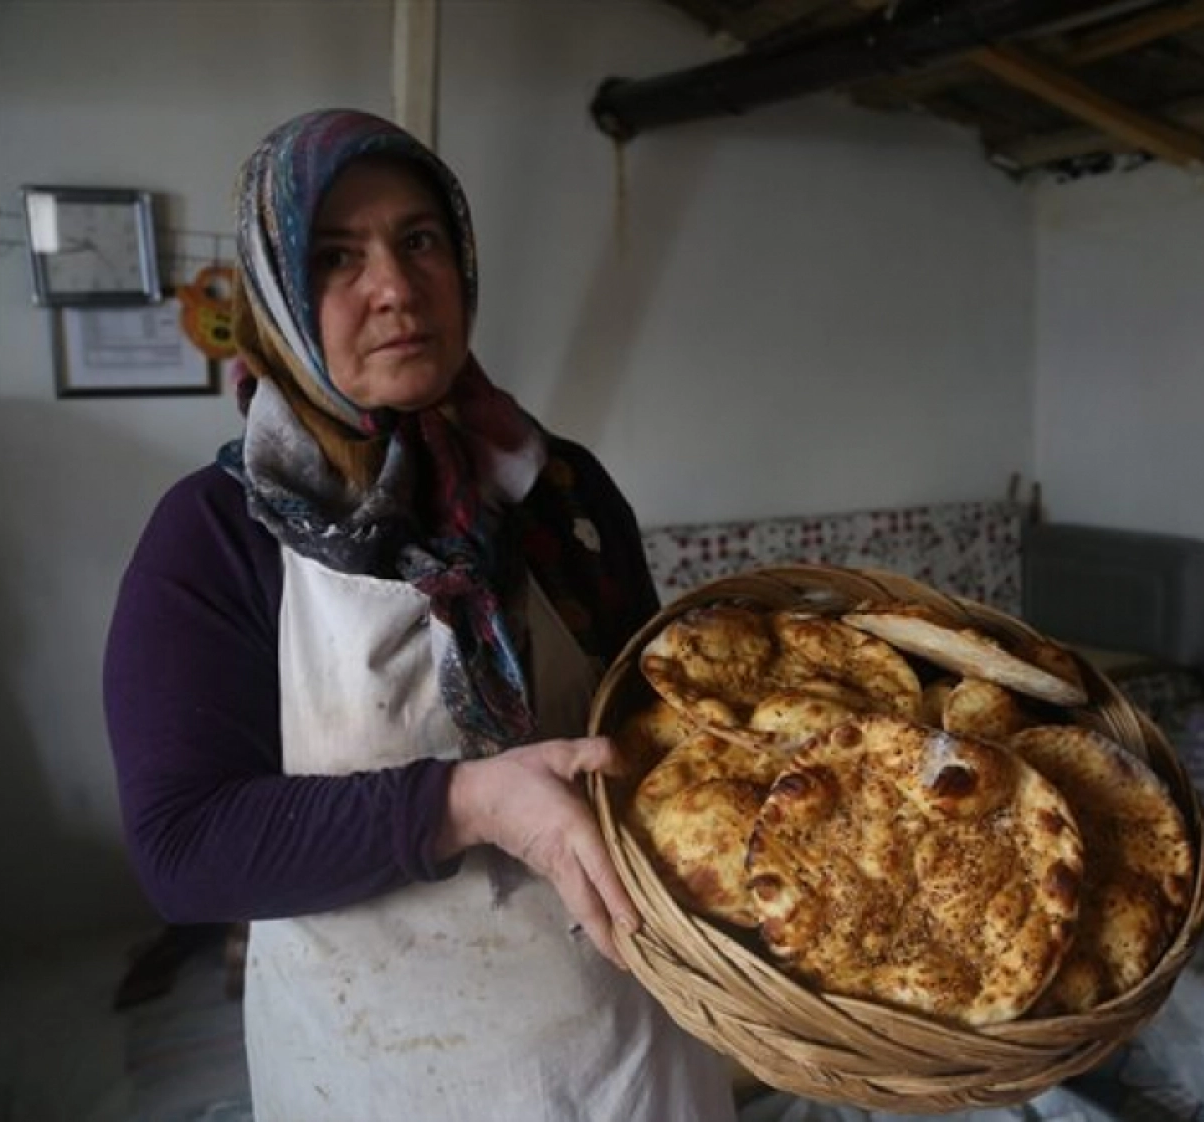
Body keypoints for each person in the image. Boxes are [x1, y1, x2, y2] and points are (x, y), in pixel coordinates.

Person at [103, 108, 737, 1121]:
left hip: (615, 1049)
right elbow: (184, 851)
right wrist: (470, 803)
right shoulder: (216, 534)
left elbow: (651, 732)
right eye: (335, 257)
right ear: (275, 294)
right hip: (382, 1068)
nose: (394, 287)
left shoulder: (556, 495)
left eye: (420, 239)